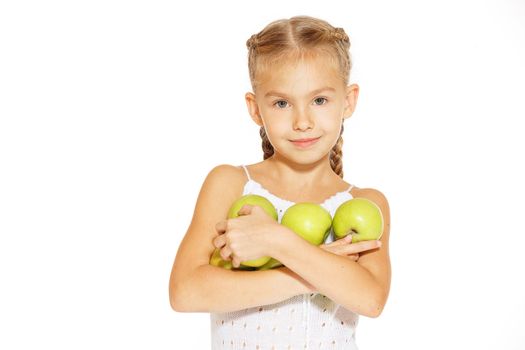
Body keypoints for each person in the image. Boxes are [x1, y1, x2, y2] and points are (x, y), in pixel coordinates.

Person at [169, 15, 391, 349]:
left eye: (319, 100)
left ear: (348, 101)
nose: (302, 121)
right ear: (255, 108)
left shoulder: (365, 202)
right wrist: (310, 272)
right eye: (282, 103)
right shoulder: (231, 184)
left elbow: (370, 298)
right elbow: (185, 292)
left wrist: (277, 242)